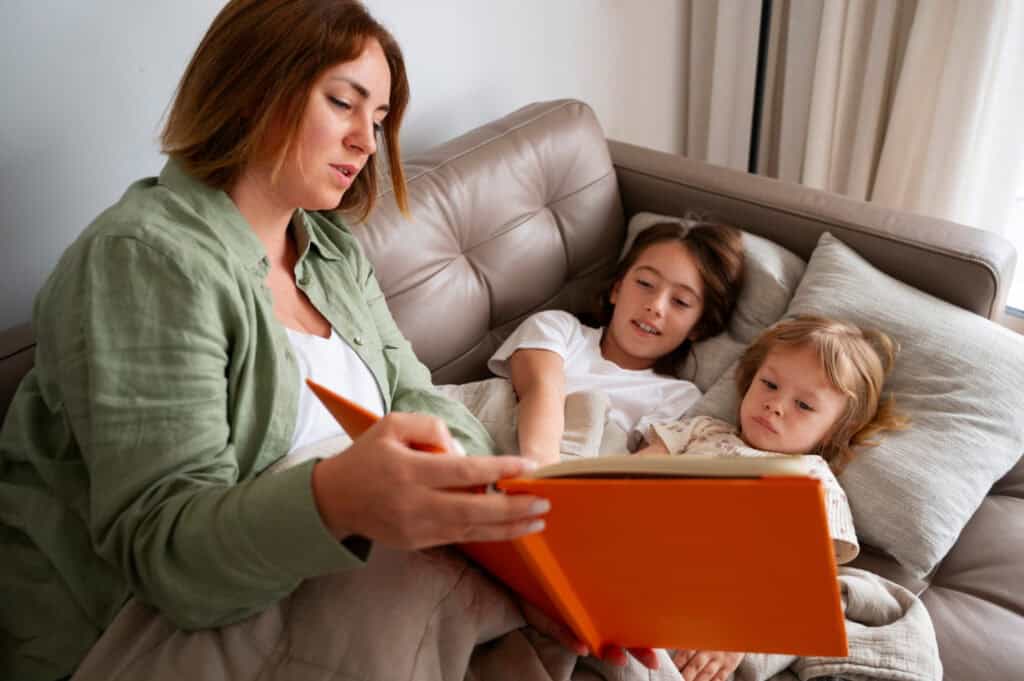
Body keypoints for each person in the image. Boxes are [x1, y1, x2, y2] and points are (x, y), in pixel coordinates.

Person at [0, 2, 558, 679]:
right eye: (343, 103)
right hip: (141, 627)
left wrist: (515, 525)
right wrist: (336, 502)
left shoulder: (328, 250)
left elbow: (416, 395)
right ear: (254, 83)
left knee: (571, 611)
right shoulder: (144, 258)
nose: (366, 141)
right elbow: (166, 555)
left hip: (325, 586)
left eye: (378, 121)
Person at [637, 315, 909, 681]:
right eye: (769, 384)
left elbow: (805, 577)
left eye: (804, 406)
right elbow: (623, 476)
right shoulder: (701, 430)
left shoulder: (812, 477)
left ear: (834, 430)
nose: (775, 405)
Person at [489, 220, 746, 466]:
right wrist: (541, 477)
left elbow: (635, 475)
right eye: (645, 283)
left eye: (680, 301)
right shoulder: (558, 329)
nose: (655, 306)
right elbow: (540, 391)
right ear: (616, 288)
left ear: (698, 327)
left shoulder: (679, 398)